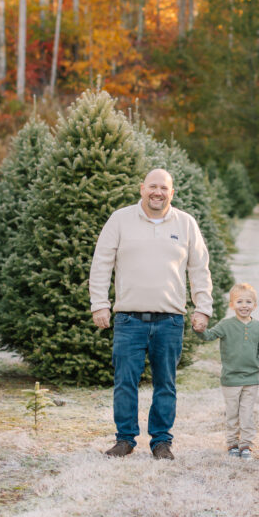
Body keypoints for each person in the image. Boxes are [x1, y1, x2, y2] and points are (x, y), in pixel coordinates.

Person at [89, 167, 213, 460]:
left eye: (164, 188)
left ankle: (161, 442)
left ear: (172, 193)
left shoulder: (185, 223)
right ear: (142, 188)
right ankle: (125, 439)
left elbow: (199, 269)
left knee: (165, 384)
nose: (157, 192)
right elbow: (101, 262)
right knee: (125, 382)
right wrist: (99, 303)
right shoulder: (120, 220)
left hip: (169, 319)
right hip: (128, 319)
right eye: (152, 186)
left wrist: (203, 308)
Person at [199, 282, 259, 460]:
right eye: (239, 301)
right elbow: (208, 336)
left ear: (255, 305)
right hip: (230, 380)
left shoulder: (258, 327)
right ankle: (232, 443)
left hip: (251, 380)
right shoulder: (226, 325)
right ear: (232, 305)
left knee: (246, 413)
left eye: (248, 302)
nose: (244, 305)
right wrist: (198, 329)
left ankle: (246, 445)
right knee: (232, 413)